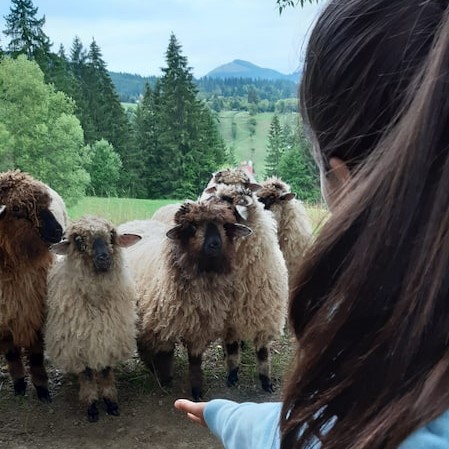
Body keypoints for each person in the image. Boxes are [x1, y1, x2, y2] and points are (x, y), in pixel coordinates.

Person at [175, 0, 449, 448]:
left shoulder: (368, 341)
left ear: (344, 179)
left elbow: (309, 434)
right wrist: (228, 414)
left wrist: (227, 416)